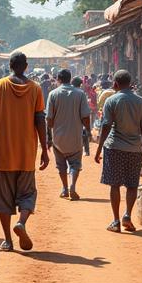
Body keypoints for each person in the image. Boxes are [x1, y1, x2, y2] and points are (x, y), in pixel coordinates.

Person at [0, 51, 49, 252]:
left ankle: (8, 240)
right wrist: (44, 148)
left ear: (10, 65)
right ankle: (22, 222)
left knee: (3, 199)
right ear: (25, 66)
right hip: (26, 153)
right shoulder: (35, 89)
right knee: (27, 194)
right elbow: (40, 120)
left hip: (3, 154)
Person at [95, 70, 142, 232]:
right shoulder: (141, 101)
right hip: (134, 149)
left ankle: (116, 221)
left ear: (116, 84)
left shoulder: (111, 100)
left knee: (115, 185)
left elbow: (106, 126)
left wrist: (99, 148)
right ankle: (127, 215)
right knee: (132, 184)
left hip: (115, 147)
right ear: (130, 82)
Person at [46, 69, 91, 200]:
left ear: (58, 80)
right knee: (75, 164)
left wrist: (49, 136)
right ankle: (72, 186)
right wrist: (88, 131)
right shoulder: (80, 94)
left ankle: (65, 189)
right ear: (70, 79)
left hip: (58, 138)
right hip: (75, 136)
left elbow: (49, 119)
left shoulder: (53, 94)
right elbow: (85, 117)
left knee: (61, 165)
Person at [72, 77, 91, 154]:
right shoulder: (81, 93)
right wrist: (89, 129)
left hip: (70, 120)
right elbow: (85, 113)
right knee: (84, 133)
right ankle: (86, 150)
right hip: (80, 119)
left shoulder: (67, 92)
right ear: (80, 84)